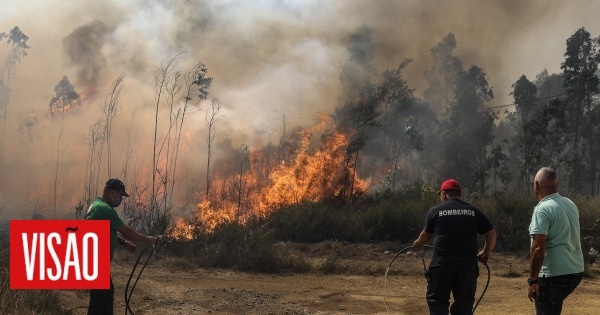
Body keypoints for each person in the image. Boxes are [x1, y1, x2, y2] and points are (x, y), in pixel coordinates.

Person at [412, 179, 496, 315]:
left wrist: (418, 244)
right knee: (464, 307)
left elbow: (426, 237)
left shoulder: (435, 211)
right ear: (459, 194)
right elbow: (491, 233)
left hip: (441, 267)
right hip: (467, 268)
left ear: (444, 194)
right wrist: (486, 252)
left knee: (438, 304)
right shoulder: (473, 211)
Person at [86, 178, 157, 315]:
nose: (121, 199)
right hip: (97, 261)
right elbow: (127, 232)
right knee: (99, 300)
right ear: (112, 193)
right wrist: (148, 240)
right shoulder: (106, 210)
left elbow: (106, 231)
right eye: (120, 195)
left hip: (95, 260)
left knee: (106, 294)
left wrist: (123, 243)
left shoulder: (96, 205)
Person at [527, 167, 584, 314]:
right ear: (556, 184)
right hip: (575, 272)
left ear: (536, 185)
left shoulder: (542, 209)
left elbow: (538, 248)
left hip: (553, 274)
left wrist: (533, 280)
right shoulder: (570, 204)